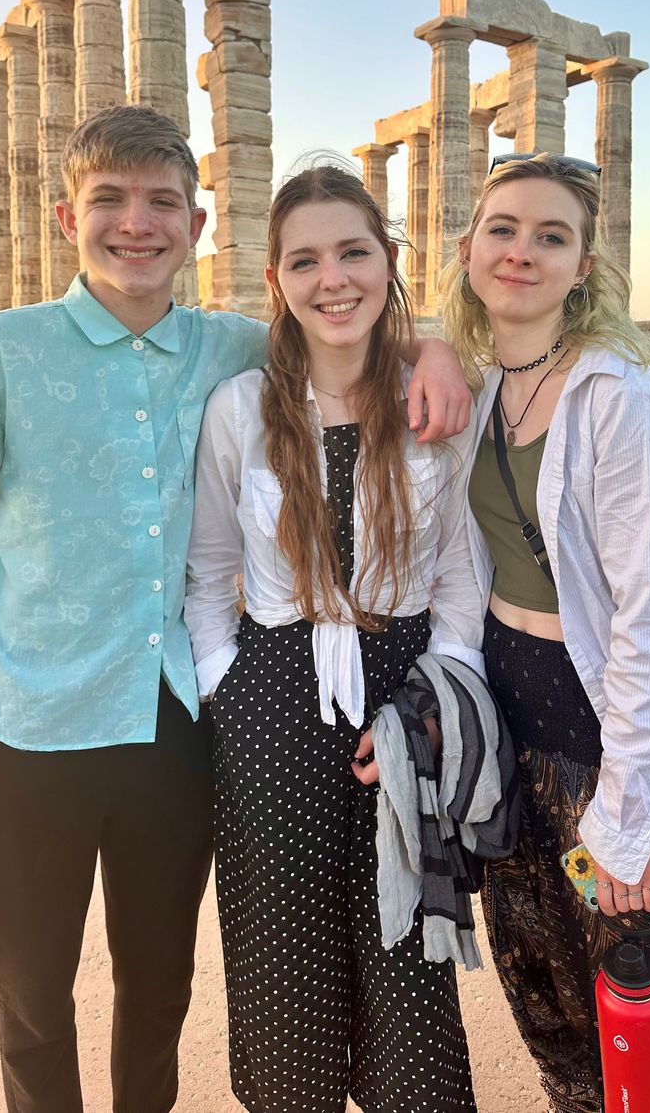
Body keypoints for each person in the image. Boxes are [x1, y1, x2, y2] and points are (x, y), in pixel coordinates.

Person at [0, 106, 469, 1113]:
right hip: (24, 724)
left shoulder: (233, 348)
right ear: (63, 217)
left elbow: (343, 311)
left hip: (170, 724)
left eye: (161, 201)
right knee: (32, 999)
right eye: (110, 201)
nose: (137, 223)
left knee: (157, 988)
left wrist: (434, 346)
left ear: (198, 221)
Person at [441, 151, 650, 1113]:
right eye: (503, 229)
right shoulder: (485, 387)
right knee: (545, 995)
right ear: (468, 249)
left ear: (584, 268)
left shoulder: (619, 398)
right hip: (510, 713)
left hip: (599, 723)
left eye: (551, 236)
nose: (522, 251)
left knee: (631, 1011)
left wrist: (625, 826)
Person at [185, 163, 484, 1113]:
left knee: (406, 958)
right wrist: (229, 690)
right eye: (305, 259)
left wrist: (433, 703)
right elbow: (207, 571)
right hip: (274, 692)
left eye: (354, 251)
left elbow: (461, 581)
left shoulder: (431, 404)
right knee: (284, 959)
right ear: (276, 280)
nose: (333, 278)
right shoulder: (239, 409)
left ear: (388, 262)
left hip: (404, 687)